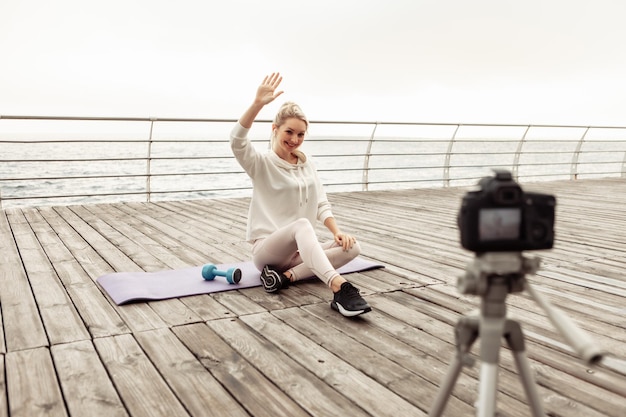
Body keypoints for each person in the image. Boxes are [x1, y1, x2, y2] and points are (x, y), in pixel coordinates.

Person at [230, 72, 371, 317]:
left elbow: (321, 204)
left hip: (298, 254)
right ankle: (339, 287)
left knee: (353, 248)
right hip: (268, 252)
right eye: (289, 132)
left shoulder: (307, 165)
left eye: (301, 134)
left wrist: (337, 233)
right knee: (302, 225)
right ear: (275, 129)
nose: (295, 139)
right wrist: (257, 105)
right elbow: (237, 141)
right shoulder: (260, 163)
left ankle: (284, 278)